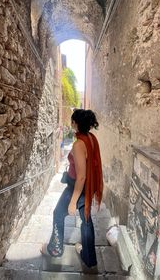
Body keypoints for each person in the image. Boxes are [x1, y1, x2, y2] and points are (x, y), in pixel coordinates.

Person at [41, 109, 104, 268]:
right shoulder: (91, 138)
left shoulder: (78, 145)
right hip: (88, 187)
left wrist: (73, 202)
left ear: (76, 123)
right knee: (86, 220)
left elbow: (81, 176)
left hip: (77, 187)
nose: (71, 123)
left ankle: (55, 249)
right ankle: (89, 259)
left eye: (72, 121)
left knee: (58, 213)